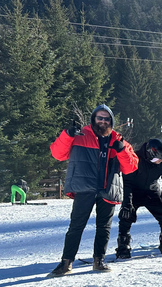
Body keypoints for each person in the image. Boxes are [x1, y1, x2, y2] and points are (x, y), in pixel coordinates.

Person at [48, 105, 139, 277]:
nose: (103, 122)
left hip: (108, 189)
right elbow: (57, 154)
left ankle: (99, 261)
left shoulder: (118, 140)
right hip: (84, 188)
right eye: (100, 118)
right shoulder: (79, 136)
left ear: (111, 122)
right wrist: (67, 135)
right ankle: (66, 262)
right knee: (76, 226)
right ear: (93, 120)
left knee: (104, 227)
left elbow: (131, 167)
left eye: (106, 119)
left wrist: (122, 150)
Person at [114, 139, 162, 258]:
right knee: (126, 216)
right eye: (157, 159)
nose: (160, 162)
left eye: (161, 160)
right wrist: (127, 203)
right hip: (134, 191)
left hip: (152, 190)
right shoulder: (135, 157)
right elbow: (127, 182)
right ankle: (123, 246)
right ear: (150, 154)